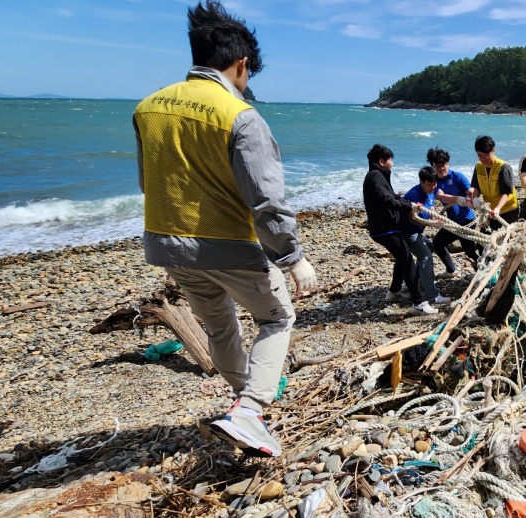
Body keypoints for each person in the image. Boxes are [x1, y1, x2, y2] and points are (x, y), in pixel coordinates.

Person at [133, 1, 317, 458]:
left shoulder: (147, 108)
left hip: (165, 244)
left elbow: (146, 182)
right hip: (228, 246)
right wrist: (294, 258)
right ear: (241, 64)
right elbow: (268, 202)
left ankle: (244, 406)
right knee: (277, 316)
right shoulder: (241, 116)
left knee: (220, 327)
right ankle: (250, 409)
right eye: (249, 73)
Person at [362, 144, 438, 315]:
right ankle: (419, 303)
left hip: (386, 228)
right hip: (384, 229)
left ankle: (394, 292)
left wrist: (409, 205)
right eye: (390, 160)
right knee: (407, 260)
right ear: (382, 161)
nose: (393, 164)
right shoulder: (375, 177)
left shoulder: (379, 176)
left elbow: (394, 197)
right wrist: (409, 207)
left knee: (402, 258)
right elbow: (387, 200)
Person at [399, 166, 451, 305]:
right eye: (429, 184)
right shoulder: (412, 195)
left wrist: (436, 219)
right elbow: (413, 218)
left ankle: (419, 281)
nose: (432, 187)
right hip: (408, 233)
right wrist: (431, 224)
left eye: (434, 184)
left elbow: (431, 208)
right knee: (426, 257)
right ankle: (432, 296)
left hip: (417, 232)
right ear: (421, 182)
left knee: (430, 247)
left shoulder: (431, 191)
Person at [428, 147, 480, 278]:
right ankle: (451, 270)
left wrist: (475, 197)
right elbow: (441, 196)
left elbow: (470, 192)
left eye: (443, 164)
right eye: (437, 165)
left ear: (448, 163)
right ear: (432, 166)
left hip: (467, 220)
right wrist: (457, 199)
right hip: (452, 223)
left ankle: (482, 274)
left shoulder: (458, 176)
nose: (441, 168)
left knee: (469, 251)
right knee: (437, 244)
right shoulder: (434, 182)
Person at [470, 135, 518, 227]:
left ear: (493, 150)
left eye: (486, 155)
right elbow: (477, 187)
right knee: (486, 237)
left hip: (507, 210)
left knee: (506, 238)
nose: (483, 159)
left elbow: (506, 193)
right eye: (479, 155)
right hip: (490, 210)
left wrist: (498, 209)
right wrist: (475, 198)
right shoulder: (478, 167)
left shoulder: (503, 167)